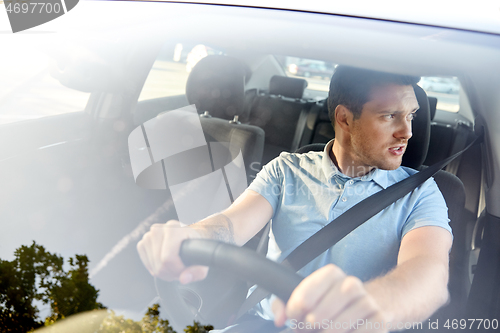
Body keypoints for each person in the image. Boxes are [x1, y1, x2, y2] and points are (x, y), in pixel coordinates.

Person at [137, 66, 453, 332]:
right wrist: (192, 235)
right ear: (344, 119)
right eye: (390, 116)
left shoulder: (420, 192)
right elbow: (230, 225)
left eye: (410, 115)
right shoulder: (286, 170)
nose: (406, 132)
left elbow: (428, 275)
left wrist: (371, 304)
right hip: (264, 325)